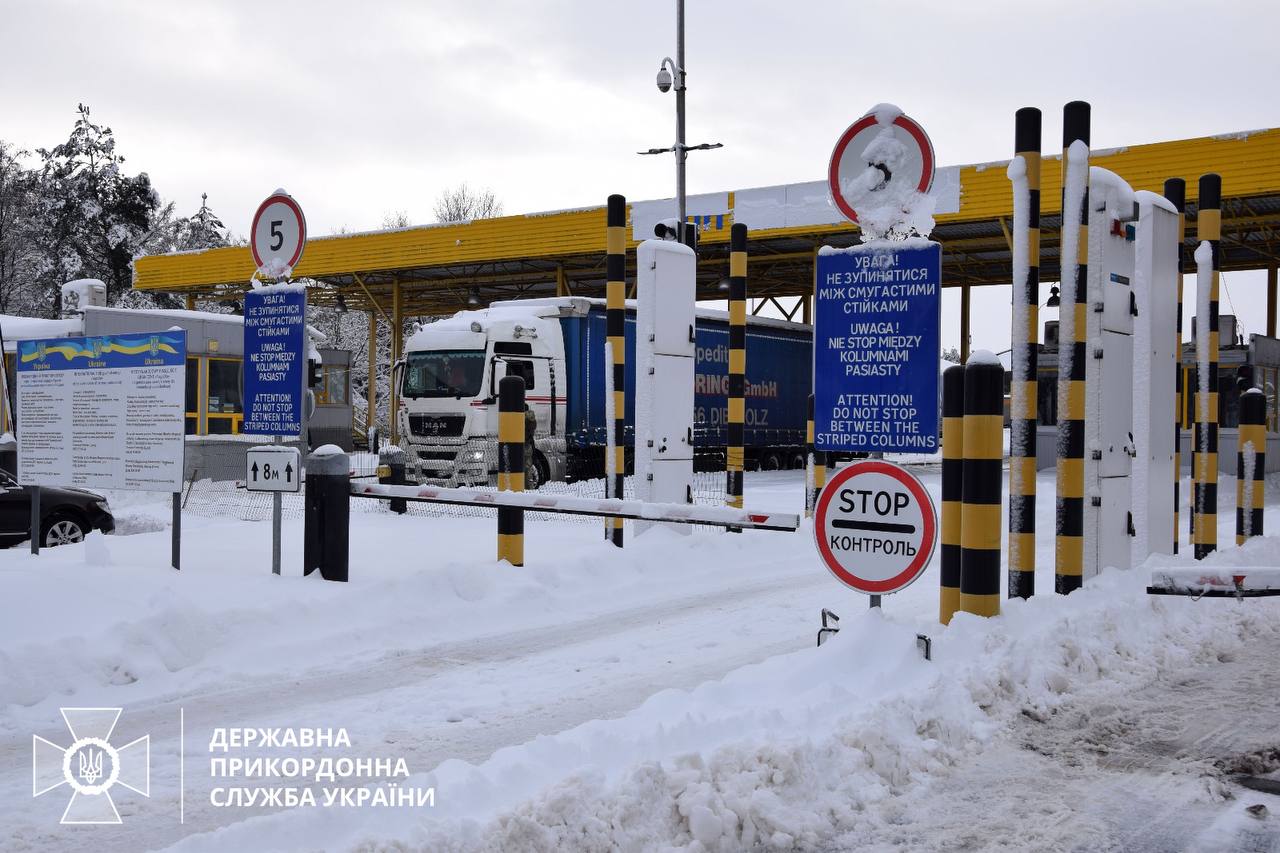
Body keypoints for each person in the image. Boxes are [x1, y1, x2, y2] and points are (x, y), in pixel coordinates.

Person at [523, 403, 539, 489]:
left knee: (520, 467)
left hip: (521, 445)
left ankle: (523, 486)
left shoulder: (522, 419)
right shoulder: (532, 420)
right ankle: (529, 486)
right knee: (528, 467)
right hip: (528, 445)